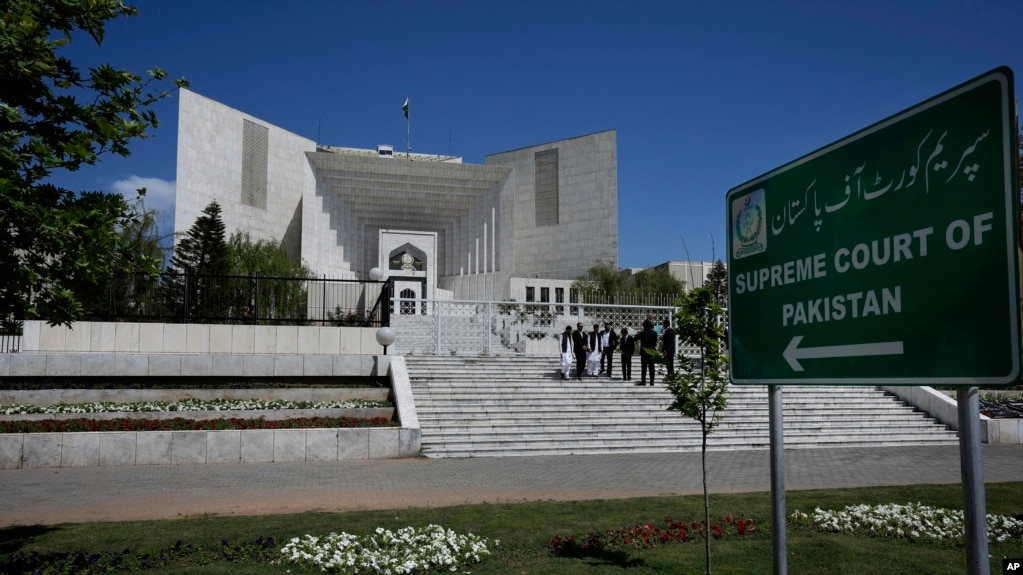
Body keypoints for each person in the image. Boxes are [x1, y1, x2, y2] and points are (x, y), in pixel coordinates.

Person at [636, 320, 659, 385]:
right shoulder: (655, 333)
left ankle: (643, 381)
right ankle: (652, 381)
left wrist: (638, 334)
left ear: (644, 326)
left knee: (644, 367)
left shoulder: (642, 333)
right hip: (652, 352)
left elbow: (635, 339)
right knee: (652, 367)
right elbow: (655, 342)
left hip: (644, 352)